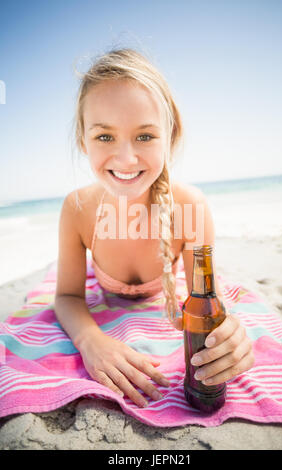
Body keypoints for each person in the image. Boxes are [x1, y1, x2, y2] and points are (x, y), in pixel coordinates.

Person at [54, 48, 254, 409]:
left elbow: (207, 299)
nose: (127, 158)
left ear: (169, 135)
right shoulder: (77, 209)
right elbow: (67, 297)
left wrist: (230, 335)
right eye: (104, 137)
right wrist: (90, 340)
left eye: (145, 136)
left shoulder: (189, 206)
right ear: (83, 139)